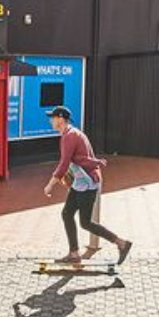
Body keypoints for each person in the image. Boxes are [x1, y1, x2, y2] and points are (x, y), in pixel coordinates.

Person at [42, 106, 132, 265]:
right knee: (67, 214)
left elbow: (64, 163)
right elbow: (74, 161)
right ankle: (74, 253)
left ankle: (122, 243)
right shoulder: (70, 133)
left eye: (53, 117)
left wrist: (50, 185)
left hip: (88, 183)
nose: (50, 120)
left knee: (85, 222)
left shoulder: (70, 136)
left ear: (60, 119)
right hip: (80, 183)